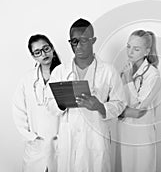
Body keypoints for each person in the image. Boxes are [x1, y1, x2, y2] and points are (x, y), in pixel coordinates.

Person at [45, 18, 126, 172]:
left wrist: (100, 107)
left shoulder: (108, 71)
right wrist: (62, 103)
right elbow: (49, 104)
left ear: (93, 40)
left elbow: (120, 103)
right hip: (69, 139)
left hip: (96, 140)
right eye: (74, 41)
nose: (79, 46)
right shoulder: (60, 72)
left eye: (84, 40)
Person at [12, 34, 61, 172]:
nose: (43, 54)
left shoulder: (65, 75)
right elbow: (18, 110)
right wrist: (32, 137)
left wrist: (63, 136)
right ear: (33, 56)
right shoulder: (27, 80)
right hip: (36, 145)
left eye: (46, 48)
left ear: (52, 49)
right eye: (38, 52)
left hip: (59, 143)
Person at [118, 30, 161, 172]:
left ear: (146, 51)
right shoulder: (124, 72)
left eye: (136, 49)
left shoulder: (152, 75)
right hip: (126, 131)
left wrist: (129, 79)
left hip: (142, 134)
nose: (130, 52)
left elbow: (137, 107)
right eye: (128, 46)